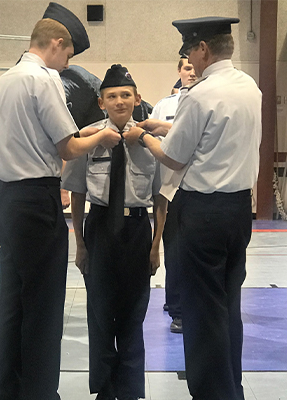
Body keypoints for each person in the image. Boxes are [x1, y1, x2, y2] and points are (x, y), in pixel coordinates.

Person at [0, 3, 121, 400]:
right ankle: (40, 390)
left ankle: (5, 386)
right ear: (57, 44)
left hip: (9, 199)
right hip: (36, 198)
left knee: (10, 298)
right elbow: (69, 146)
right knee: (43, 302)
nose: (66, 65)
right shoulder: (44, 79)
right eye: (68, 56)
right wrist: (104, 134)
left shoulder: (3, 81)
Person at [123, 16, 262, 400]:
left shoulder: (198, 95)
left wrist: (143, 136)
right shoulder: (249, 86)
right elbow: (215, 135)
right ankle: (231, 387)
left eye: (190, 52)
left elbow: (174, 158)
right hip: (238, 210)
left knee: (202, 310)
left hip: (204, 212)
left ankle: (212, 392)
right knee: (227, 303)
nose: (190, 60)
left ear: (203, 49)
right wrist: (163, 126)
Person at [61, 64, 167, 400]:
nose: (119, 101)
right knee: (101, 313)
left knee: (134, 313)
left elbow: (160, 197)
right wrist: (79, 244)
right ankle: (105, 389)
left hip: (137, 229)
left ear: (137, 99)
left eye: (125, 95)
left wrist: (155, 246)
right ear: (101, 102)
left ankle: (131, 389)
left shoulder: (151, 142)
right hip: (100, 229)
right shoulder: (88, 137)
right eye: (112, 96)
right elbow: (77, 192)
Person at [150, 56, 196, 334]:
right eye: (186, 67)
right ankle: (177, 308)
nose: (191, 72)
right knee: (175, 250)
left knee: (193, 251)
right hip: (170, 189)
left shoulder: (205, 100)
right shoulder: (164, 105)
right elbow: (153, 142)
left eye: (194, 67)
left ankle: (186, 304)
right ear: (179, 71)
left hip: (198, 185)